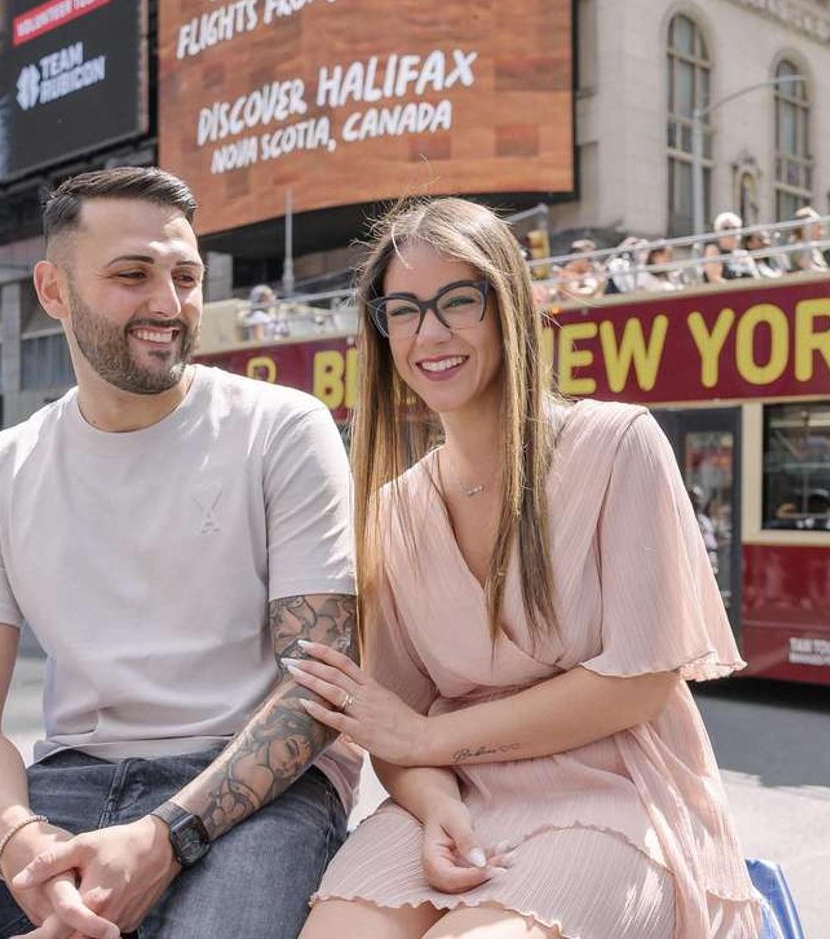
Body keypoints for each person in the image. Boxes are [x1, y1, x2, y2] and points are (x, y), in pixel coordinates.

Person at [0, 168, 360, 939]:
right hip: (65, 785)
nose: (167, 304)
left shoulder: (282, 428)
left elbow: (321, 687)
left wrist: (164, 837)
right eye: (132, 275)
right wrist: (21, 844)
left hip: (261, 792)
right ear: (53, 291)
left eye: (185, 275)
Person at [293, 197, 762, 938]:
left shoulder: (620, 445)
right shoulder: (393, 510)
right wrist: (436, 798)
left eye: (457, 300)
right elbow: (395, 725)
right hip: (459, 797)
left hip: (615, 791)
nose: (430, 333)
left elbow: (639, 683)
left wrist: (428, 740)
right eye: (404, 310)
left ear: (507, 305)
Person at [702, 211, 756, 281]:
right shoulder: (713, 250)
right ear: (718, 232)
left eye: (735, 228)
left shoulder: (744, 255)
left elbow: (756, 279)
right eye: (726, 228)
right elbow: (715, 279)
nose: (731, 231)